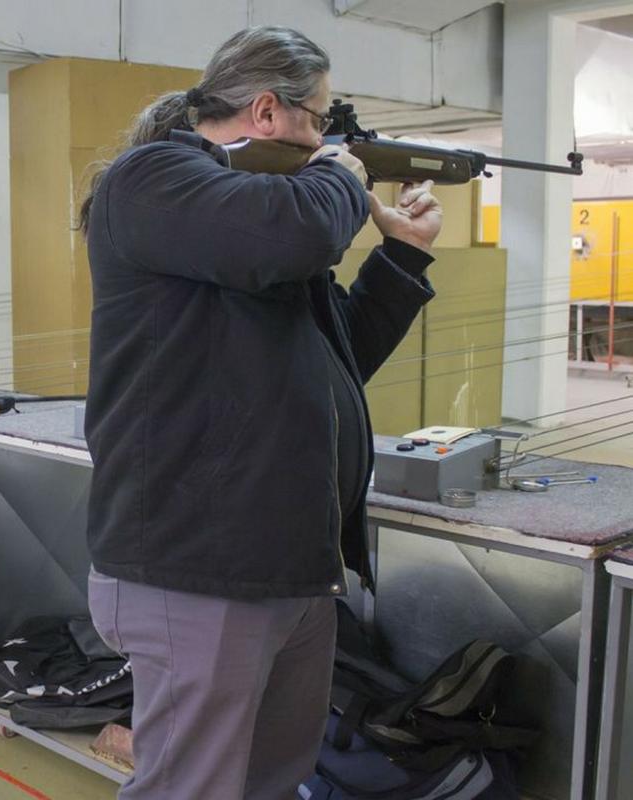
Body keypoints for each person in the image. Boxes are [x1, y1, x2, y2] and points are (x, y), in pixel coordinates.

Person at [79, 27, 443, 799]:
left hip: (287, 564)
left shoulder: (257, 222)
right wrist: (342, 172)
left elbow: (337, 355)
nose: (323, 140)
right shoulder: (153, 178)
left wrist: (402, 255)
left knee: (273, 783)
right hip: (198, 566)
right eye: (319, 120)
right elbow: (294, 230)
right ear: (269, 111)